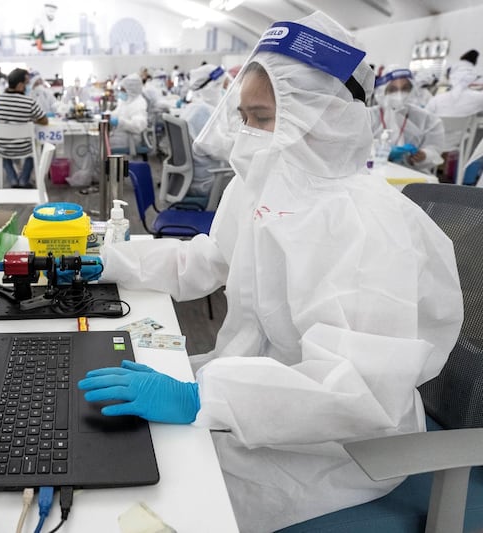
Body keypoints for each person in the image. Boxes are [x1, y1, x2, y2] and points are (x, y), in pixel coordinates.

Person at [78, 11, 462, 532]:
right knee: (124, 456)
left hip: (334, 447)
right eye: (246, 117)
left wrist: (201, 398)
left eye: (263, 118)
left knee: (162, 502)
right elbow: (205, 261)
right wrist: (108, 260)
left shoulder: (370, 225)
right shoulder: (264, 183)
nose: (249, 135)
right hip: (247, 396)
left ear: (323, 115)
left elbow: (360, 392)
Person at [369, 66, 444, 172]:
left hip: (412, 173)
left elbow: (435, 149)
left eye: (405, 88)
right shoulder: (369, 116)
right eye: (393, 89)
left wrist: (424, 156)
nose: (399, 94)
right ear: (383, 91)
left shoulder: (428, 119)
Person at [178, 64, 232, 197]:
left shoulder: (194, 108)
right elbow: (221, 151)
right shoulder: (201, 112)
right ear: (211, 87)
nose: (224, 91)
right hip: (207, 182)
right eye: (221, 87)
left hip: (195, 178)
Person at [0, 68, 48, 188]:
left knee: (3, 151)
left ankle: (13, 179)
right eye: (26, 83)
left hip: (3, 147)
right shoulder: (28, 102)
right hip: (24, 148)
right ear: (20, 85)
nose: (27, 86)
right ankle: (23, 180)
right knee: (34, 149)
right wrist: (30, 120)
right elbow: (44, 121)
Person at [109, 73, 148, 153]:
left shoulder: (139, 103)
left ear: (131, 90)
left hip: (130, 139)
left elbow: (138, 126)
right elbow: (117, 113)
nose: (121, 92)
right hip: (120, 134)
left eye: (123, 90)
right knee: (97, 141)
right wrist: (108, 115)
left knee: (98, 144)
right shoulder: (125, 100)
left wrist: (120, 122)